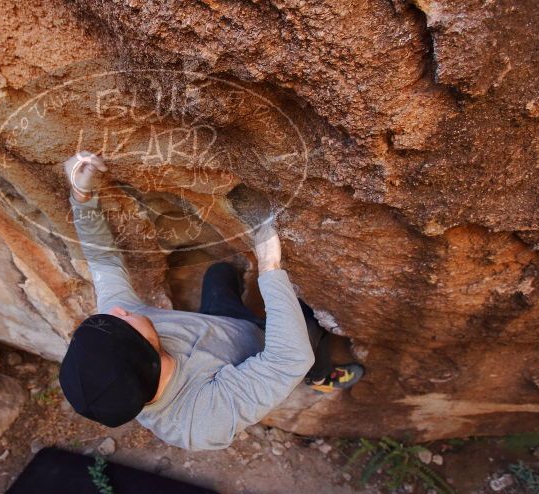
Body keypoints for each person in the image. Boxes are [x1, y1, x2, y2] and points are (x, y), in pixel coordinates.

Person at [59, 152, 363, 451]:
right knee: (310, 327)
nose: (118, 310)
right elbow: (289, 360)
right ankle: (320, 377)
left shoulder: (120, 332)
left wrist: (81, 196)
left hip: (222, 326)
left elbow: (103, 261)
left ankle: (248, 307)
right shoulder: (200, 420)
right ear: (148, 355)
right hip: (263, 353)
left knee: (219, 274)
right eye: (121, 321)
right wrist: (269, 266)